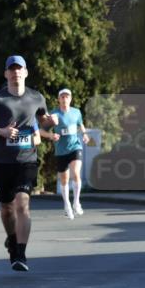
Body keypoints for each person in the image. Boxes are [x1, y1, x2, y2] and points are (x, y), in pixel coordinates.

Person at [0, 55, 55, 271]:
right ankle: (12, 239)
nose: (16, 72)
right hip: (1, 162)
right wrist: (1, 131)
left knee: (22, 204)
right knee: (7, 208)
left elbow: (43, 119)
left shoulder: (36, 97)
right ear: (6, 74)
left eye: (20, 69)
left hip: (27, 160)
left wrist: (51, 121)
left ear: (26, 72)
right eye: (12, 69)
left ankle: (20, 252)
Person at [43, 88, 90, 218]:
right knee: (64, 179)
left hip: (75, 147)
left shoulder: (76, 112)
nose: (65, 99)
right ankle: (67, 204)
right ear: (59, 99)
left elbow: (81, 125)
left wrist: (85, 135)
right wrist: (51, 135)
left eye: (67, 97)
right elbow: (41, 131)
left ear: (70, 99)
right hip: (61, 150)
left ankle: (76, 202)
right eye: (62, 97)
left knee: (75, 173)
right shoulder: (54, 114)